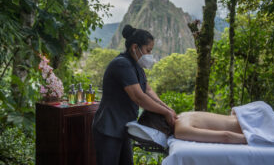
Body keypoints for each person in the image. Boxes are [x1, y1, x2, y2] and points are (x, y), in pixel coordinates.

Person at [92, 24, 177, 165]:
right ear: (134, 47)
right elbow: (139, 97)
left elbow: (148, 91)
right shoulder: (122, 64)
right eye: (148, 50)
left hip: (123, 127)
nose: (150, 55)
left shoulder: (137, 66)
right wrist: (166, 113)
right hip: (109, 127)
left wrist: (167, 109)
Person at [138, 110, 246, 144]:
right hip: (247, 113)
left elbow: (226, 136)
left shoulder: (180, 131)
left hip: (250, 126)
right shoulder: (184, 114)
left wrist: (253, 139)